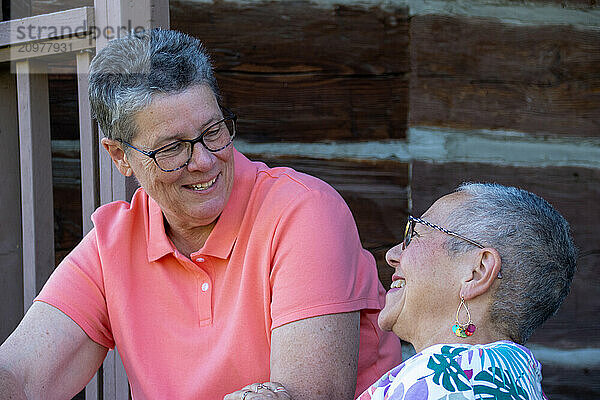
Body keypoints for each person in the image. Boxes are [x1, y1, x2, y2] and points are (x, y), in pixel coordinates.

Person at [0, 29, 402, 400]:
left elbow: (302, 396)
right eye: (172, 148)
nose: (205, 161)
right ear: (120, 157)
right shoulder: (113, 244)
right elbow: (23, 376)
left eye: (213, 131)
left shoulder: (303, 211)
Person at [355, 182, 576, 399]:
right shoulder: (507, 379)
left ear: (477, 272)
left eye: (415, 235)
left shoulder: (445, 385)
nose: (392, 255)